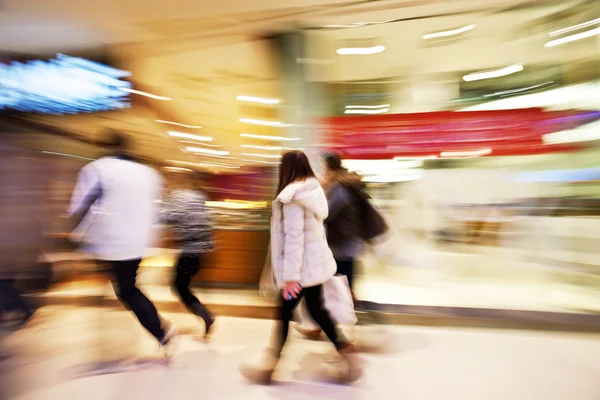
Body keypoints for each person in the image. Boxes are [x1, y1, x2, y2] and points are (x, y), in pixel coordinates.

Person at [240, 150, 360, 385]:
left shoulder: (293, 198)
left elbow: (294, 240)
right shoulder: (313, 191)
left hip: (300, 273)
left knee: (284, 314)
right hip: (313, 269)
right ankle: (347, 351)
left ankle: (269, 368)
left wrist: (291, 278)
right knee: (317, 311)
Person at [68, 131, 177, 355]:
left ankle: (161, 331)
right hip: (137, 242)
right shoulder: (149, 173)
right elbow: (156, 208)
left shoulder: (96, 169)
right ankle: (157, 331)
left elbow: (80, 205)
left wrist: (74, 236)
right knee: (126, 286)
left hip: (109, 242)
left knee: (126, 290)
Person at [295, 153, 365, 339]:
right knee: (334, 290)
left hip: (341, 250)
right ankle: (322, 328)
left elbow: (323, 213)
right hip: (345, 248)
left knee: (335, 291)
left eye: (324, 168)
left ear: (328, 168)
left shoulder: (339, 189)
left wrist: (322, 190)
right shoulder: (341, 187)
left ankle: (337, 334)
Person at [161, 171, 215, 339]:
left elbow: (167, 217)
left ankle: (206, 316)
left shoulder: (179, 196)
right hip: (199, 251)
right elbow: (206, 223)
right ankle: (204, 314)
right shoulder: (199, 197)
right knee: (182, 284)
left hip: (189, 250)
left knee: (179, 286)